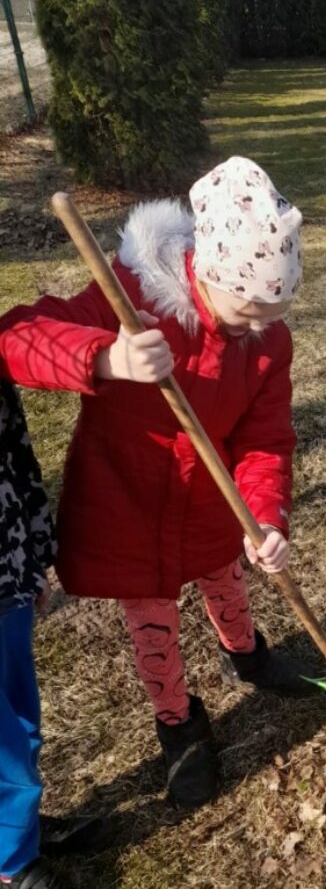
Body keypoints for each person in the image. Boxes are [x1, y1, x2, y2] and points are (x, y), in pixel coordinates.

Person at [0, 156, 316, 810]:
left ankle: (246, 654)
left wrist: (267, 518)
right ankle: (177, 722)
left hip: (209, 505)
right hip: (129, 508)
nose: (256, 327)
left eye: (271, 314)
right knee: (153, 623)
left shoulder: (266, 340)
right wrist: (106, 357)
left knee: (226, 578)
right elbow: (16, 338)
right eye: (246, 310)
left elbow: (263, 440)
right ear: (206, 268)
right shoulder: (130, 295)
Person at [0, 380, 114, 888]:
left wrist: (38, 551)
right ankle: (11, 864)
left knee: (21, 715)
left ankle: (14, 830)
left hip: (7, 570)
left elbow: (17, 455)